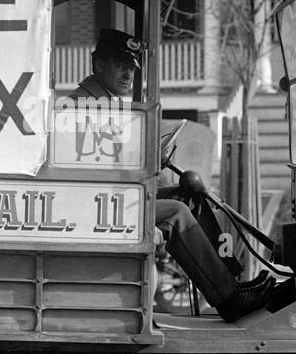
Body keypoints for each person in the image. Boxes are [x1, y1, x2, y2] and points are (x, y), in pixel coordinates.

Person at [76, 28, 277, 322]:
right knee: (177, 212)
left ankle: (230, 283)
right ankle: (230, 299)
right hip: (98, 206)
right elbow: (101, 170)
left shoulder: (105, 102)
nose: (127, 75)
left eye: (131, 67)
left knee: (189, 196)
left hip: (117, 199)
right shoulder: (85, 105)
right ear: (99, 65)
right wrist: (148, 164)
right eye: (120, 66)